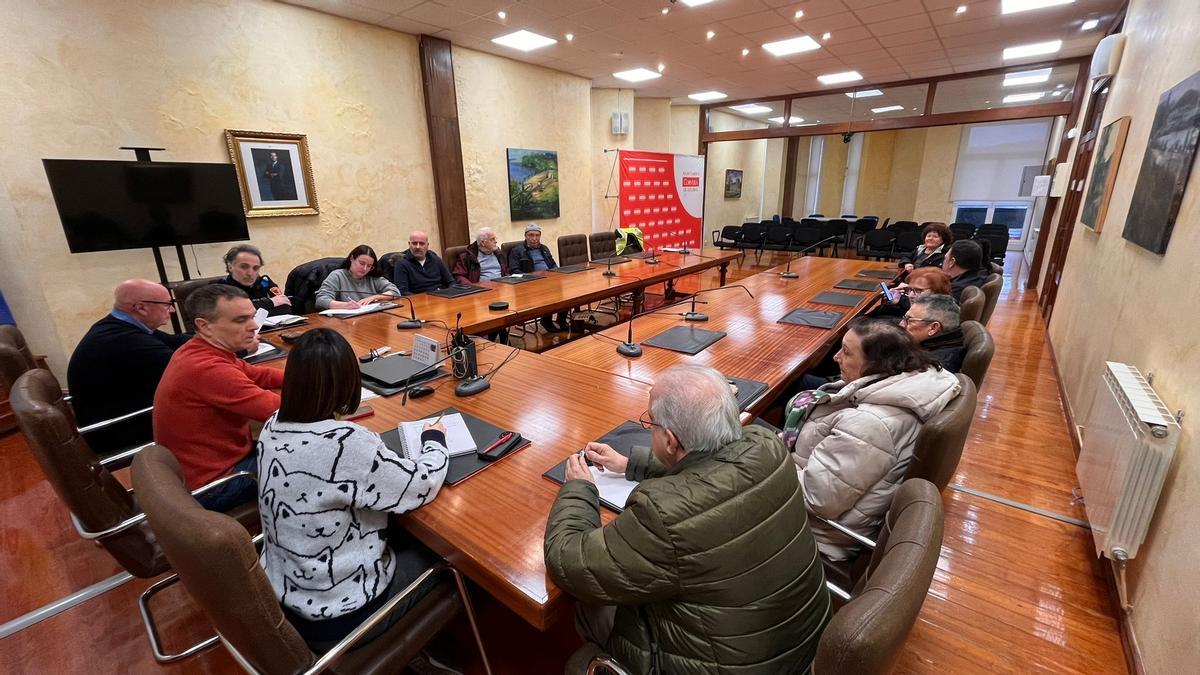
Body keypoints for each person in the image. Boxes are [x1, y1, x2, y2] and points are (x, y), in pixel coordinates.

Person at [545, 364, 831, 674]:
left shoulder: (663, 515)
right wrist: (631, 464)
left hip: (726, 667)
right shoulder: (767, 446)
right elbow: (712, 466)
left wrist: (579, 488)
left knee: (589, 604)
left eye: (651, 424)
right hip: (807, 648)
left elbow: (569, 561)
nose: (649, 430)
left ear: (670, 440)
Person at [258, 328, 449, 655]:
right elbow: (421, 485)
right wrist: (435, 441)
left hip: (288, 596)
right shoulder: (345, 443)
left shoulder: (273, 423)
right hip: (341, 616)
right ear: (349, 382)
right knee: (451, 557)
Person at [783, 318, 960, 561]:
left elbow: (817, 500)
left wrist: (767, 462)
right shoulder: (910, 382)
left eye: (847, 352)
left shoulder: (869, 425)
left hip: (818, 532)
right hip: (826, 488)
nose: (836, 357)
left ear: (877, 365)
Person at [154, 285, 284, 511]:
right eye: (240, 320)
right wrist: (335, 393)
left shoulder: (201, 349)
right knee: (322, 454)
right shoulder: (208, 368)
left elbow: (259, 375)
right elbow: (283, 410)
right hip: (216, 485)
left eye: (252, 316)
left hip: (208, 466)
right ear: (204, 326)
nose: (254, 326)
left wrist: (313, 375)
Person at [68, 279, 189, 455]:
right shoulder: (124, 340)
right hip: (121, 431)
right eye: (167, 305)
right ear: (141, 308)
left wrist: (215, 336)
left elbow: (174, 341)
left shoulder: (120, 326)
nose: (172, 310)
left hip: (126, 414)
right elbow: (187, 370)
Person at [453, 227, 510, 344]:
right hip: (481, 294)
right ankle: (501, 335)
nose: (496, 241)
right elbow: (459, 275)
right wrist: (474, 288)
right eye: (492, 239)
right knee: (496, 309)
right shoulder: (467, 256)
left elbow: (506, 271)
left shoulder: (498, 253)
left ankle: (499, 334)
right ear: (483, 243)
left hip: (501, 289)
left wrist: (509, 280)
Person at [508, 223, 568, 332]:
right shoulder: (517, 251)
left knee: (566, 291)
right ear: (525, 236)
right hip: (531, 283)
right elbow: (514, 270)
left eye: (537, 235)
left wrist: (557, 274)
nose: (534, 238)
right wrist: (531, 278)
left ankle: (561, 319)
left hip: (548, 279)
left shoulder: (544, 248)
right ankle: (546, 320)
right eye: (531, 235)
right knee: (548, 293)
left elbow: (553, 264)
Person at [315, 245, 402, 311]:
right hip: (345, 322)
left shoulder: (372, 277)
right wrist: (345, 305)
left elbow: (395, 292)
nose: (365, 269)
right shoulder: (337, 276)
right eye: (362, 263)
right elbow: (321, 300)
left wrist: (375, 297)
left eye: (369, 266)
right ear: (352, 258)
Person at [216, 244, 292, 316]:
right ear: (230, 267)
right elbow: (233, 314)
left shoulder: (264, 282)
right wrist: (270, 302)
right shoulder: (219, 288)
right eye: (244, 267)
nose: (250, 273)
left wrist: (255, 308)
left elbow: (285, 308)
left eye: (256, 268)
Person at [904, 294, 966, 374]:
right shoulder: (945, 341)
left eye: (909, 320)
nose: (901, 324)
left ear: (933, 328)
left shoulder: (934, 367)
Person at [869, 266, 953, 320]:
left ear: (938, 292)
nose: (910, 295)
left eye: (919, 291)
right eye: (910, 290)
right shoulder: (922, 308)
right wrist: (895, 302)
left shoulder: (927, 321)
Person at [392, 230, 453, 295]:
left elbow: (451, 282)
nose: (418, 247)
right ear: (409, 244)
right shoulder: (401, 264)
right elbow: (403, 292)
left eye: (422, 243)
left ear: (427, 245)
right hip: (418, 299)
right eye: (414, 243)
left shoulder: (435, 259)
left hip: (442, 296)